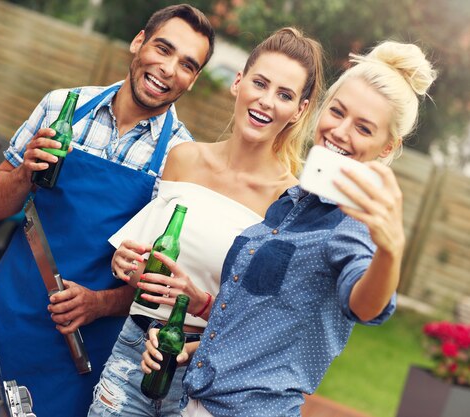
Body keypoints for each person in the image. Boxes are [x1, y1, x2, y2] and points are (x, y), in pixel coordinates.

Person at [141, 40, 437, 417]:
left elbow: (365, 306)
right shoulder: (290, 203)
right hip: (196, 403)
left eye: (363, 128)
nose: (341, 132)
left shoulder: (354, 224)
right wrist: (193, 351)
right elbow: (260, 322)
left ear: (386, 147)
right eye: (337, 112)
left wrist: (391, 251)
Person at [0, 4, 215, 417]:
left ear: (192, 80)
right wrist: (25, 174)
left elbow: (162, 283)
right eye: (163, 48)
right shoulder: (61, 106)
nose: (169, 69)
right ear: (138, 42)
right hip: (7, 313)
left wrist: (99, 303)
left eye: (187, 65)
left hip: (83, 350)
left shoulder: (182, 158)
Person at [87, 28, 325, 417]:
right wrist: (125, 264)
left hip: (209, 380)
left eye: (284, 95)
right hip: (135, 352)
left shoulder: (290, 204)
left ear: (299, 110)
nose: (266, 101)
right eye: (260, 83)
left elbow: (261, 326)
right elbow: (146, 267)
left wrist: (197, 305)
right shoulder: (183, 158)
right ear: (238, 82)